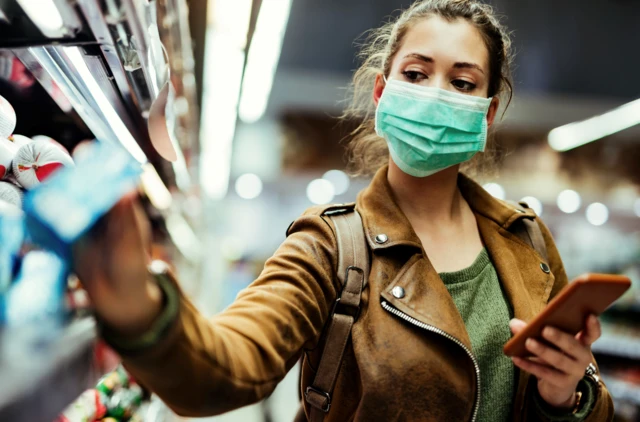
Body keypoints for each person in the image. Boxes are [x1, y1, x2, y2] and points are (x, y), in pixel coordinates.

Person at [73, 1, 614, 421]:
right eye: (416, 74)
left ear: (488, 113)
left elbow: (588, 403)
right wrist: (143, 311)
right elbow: (232, 364)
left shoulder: (527, 241)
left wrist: (566, 397)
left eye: (463, 83)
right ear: (381, 92)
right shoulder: (331, 247)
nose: (435, 95)